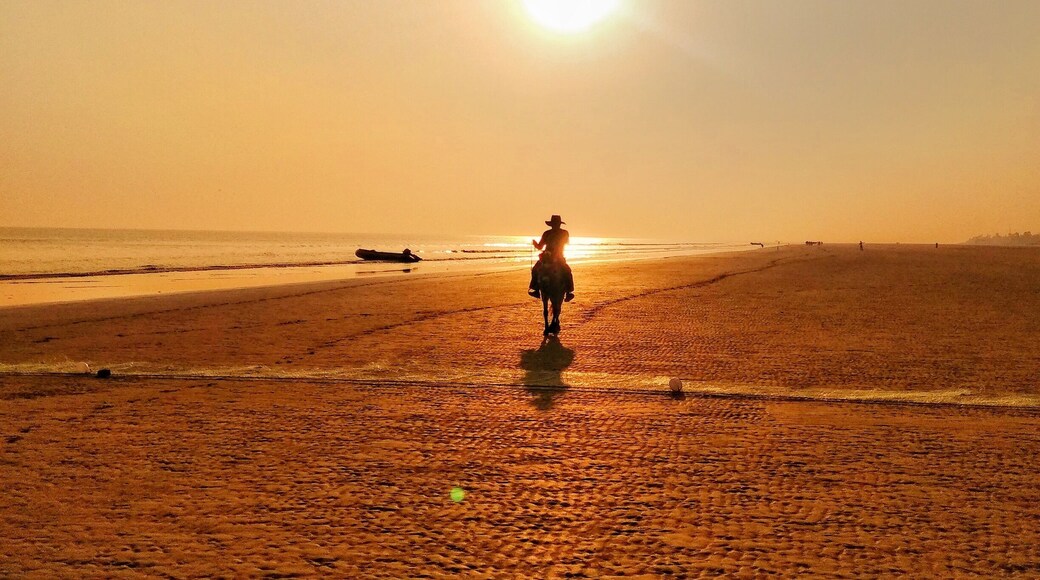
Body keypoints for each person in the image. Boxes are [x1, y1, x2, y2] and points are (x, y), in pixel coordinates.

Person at [528, 215, 575, 302]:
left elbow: (539, 246)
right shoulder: (564, 233)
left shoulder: (549, 233)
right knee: (567, 271)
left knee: (536, 269)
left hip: (549, 257)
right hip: (555, 257)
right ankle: (569, 292)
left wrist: (535, 244)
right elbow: (566, 243)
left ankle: (536, 289)